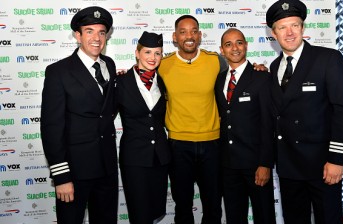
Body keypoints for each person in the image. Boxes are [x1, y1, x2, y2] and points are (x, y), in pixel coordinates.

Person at [266, 0, 343, 223]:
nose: (289, 33)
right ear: (273, 33)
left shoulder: (327, 59)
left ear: (303, 28)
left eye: (295, 25)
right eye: (282, 28)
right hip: (288, 168)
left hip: (323, 167)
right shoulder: (274, 67)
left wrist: (337, 159)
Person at [40, 6, 118, 224]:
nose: (97, 38)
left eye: (102, 32)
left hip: (107, 169)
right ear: (78, 35)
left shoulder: (109, 65)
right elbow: (51, 127)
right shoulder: (59, 71)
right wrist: (61, 177)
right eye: (90, 31)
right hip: (75, 172)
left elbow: (106, 111)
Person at [158, 15, 226, 224]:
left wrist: (258, 68)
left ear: (200, 35)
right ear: (174, 37)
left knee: (213, 205)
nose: (189, 36)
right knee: (183, 207)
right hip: (178, 146)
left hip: (212, 144)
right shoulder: (162, 65)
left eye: (193, 31)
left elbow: (239, 76)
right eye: (183, 31)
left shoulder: (216, 61)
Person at [215, 28, 276, 224]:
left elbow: (269, 123)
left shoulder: (262, 78)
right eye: (228, 44)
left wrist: (265, 163)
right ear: (222, 50)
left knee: (264, 216)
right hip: (228, 165)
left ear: (246, 46)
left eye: (239, 42)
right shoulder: (218, 81)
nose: (235, 48)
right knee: (234, 217)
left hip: (255, 165)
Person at [116, 31, 171, 224]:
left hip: (160, 158)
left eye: (157, 53)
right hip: (134, 159)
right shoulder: (120, 82)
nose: (153, 58)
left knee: (155, 211)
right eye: (147, 52)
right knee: (139, 215)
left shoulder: (163, 82)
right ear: (137, 53)